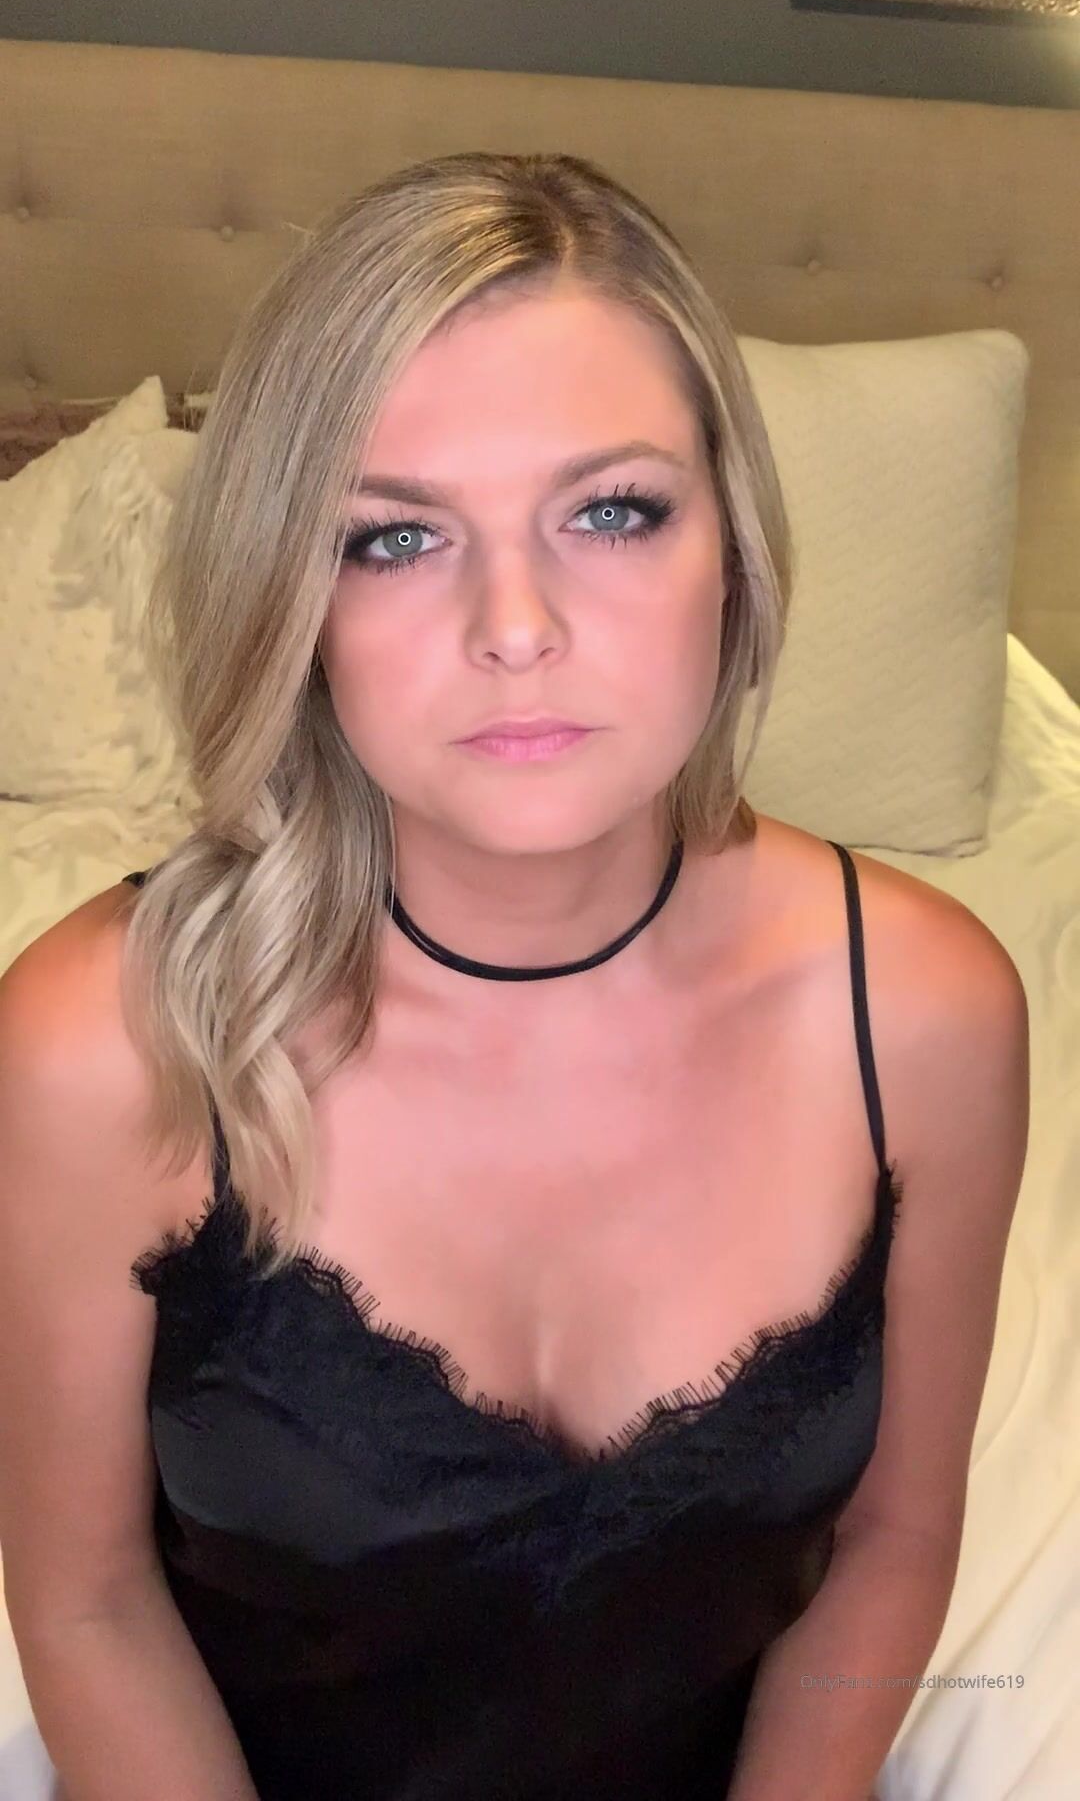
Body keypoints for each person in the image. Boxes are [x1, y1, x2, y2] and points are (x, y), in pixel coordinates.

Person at [0, 152, 1028, 1801]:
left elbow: (896, 1540)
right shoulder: (103, 1042)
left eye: (611, 511)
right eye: (396, 538)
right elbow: (85, 1599)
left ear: (732, 549)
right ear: (293, 597)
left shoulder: (923, 1018)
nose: (517, 625)